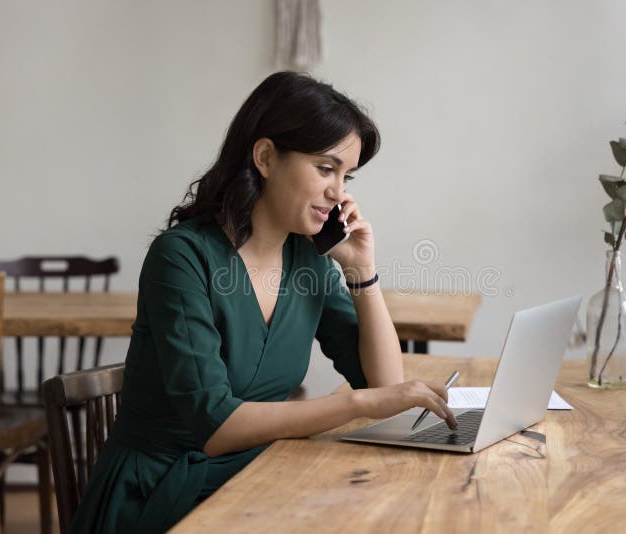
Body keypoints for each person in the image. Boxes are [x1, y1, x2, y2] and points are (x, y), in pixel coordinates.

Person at [71, 71, 458, 533]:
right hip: (160, 497)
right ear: (266, 157)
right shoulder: (181, 257)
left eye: (346, 175)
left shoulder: (308, 258)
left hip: (256, 480)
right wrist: (357, 405)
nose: (339, 192)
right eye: (324, 168)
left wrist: (360, 272)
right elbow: (217, 427)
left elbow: (386, 383)